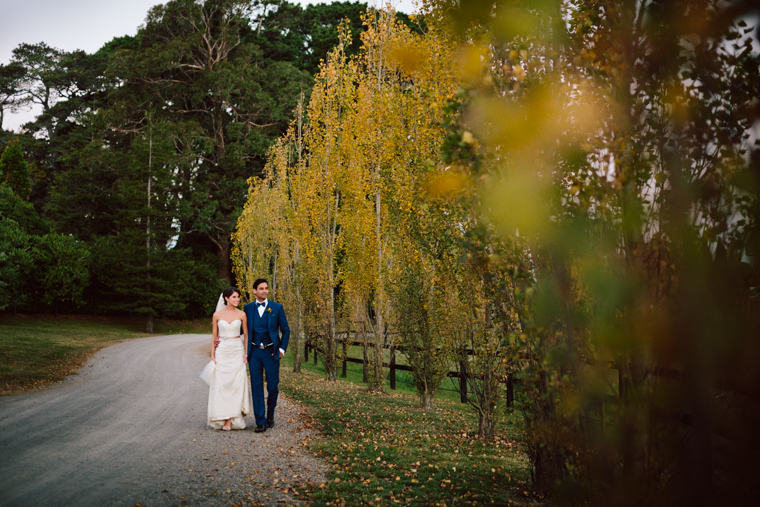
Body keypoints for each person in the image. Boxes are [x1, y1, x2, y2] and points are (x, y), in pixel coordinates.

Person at [244, 278, 290, 433]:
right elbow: (241, 330)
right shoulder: (248, 308)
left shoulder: (276, 308)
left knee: (272, 387)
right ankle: (260, 422)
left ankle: (270, 416)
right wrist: (221, 337)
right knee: (256, 386)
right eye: (261, 288)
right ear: (254, 291)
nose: (265, 291)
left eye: (266, 288)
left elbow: (286, 330)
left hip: (271, 352)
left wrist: (281, 349)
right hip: (255, 351)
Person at [206, 286, 252, 431]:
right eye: (234, 297)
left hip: (237, 350)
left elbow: (246, 335)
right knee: (221, 384)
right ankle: (221, 415)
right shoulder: (217, 315)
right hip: (223, 350)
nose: (237, 299)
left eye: (238, 297)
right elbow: (214, 336)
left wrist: (246, 353)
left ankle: (230, 418)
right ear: (226, 299)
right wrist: (213, 354)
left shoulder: (242, 315)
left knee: (236, 384)